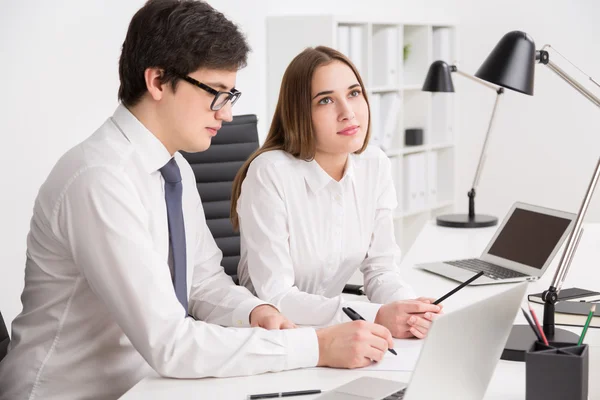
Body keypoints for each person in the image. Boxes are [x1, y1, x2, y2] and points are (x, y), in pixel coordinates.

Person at [0, 3, 394, 399]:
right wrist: (317, 346)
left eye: (230, 95)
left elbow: (202, 281)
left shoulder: (174, 169)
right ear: (157, 81)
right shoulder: (100, 178)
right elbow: (170, 342)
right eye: (217, 95)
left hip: (147, 384)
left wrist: (256, 313)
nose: (227, 115)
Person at [232, 46, 442, 338]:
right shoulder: (270, 172)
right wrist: (378, 316)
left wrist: (410, 309)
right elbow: (276, 297)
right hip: (268, 334)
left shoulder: (374, 164)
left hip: (336, 332)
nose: (347, 112)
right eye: (326, 100)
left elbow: (381, 270)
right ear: (299, 113)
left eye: (354, 94)